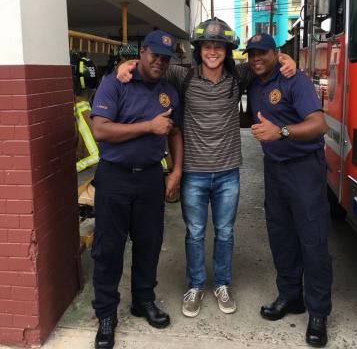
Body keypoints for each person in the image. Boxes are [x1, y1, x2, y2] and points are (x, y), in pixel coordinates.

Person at [117, 17, 296, 318]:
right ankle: (196, 285)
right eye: (208, 46)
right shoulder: (181, 76)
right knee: (196, 233)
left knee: (225, 232)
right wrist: (129, 64)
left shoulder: (238, 76)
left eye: (219, 46)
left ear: (227, 51)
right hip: (194, 174)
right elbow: (153, 64)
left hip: (228, 172)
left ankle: (222, 284)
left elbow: (264, 61)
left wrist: (284, 57)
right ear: (199, 49)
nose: (213, 51)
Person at [90, 30, 183, 349]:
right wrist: (148, 126)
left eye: (166, 58)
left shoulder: (169, 91)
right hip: (114, 177)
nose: (160, 61)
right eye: (155, 54)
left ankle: (143, 301)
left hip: (150, 179)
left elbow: (174, 133)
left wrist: (177, 170)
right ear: (142, 52)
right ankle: (105, 314)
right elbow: (100, 130)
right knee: (108, 249)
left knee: (149, 243)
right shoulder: (115, 83)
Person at [245, 33, 332, 348]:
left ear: (275, 53)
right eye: (252, 54)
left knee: (313, 240)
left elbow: (319, 124)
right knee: (280, 236)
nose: (256, 59)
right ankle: (291, 296)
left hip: (304, 169)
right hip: (274, 170)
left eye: (263, 54)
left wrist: (280, 132)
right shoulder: (254, 83)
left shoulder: (295, 81)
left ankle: (319, 312)